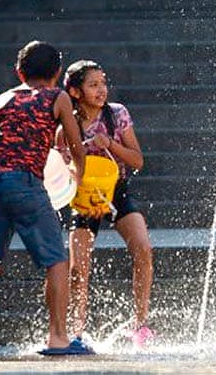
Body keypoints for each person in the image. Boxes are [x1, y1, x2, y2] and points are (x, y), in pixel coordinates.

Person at [0, 40, 90, 355]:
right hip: (26, 184)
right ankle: (58, 337)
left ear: (19, 71)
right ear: (57, 73)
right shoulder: (56, 97)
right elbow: (76, 145)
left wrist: (3, 159)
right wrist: (78, 174)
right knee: (57, 262)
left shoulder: (3, 98)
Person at [59, 60, 154, 347]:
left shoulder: (117, 114)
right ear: (75, 92)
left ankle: (140, 326)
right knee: (78, 269)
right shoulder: (66, 123)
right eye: (93, 85)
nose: (101, 90)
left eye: (103, 83)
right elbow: (58, 168)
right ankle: (76, 332)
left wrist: (110, 145)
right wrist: (70, 167)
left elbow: (137, 161)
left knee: (143, 249)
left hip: (117, 190)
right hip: (84, 196)